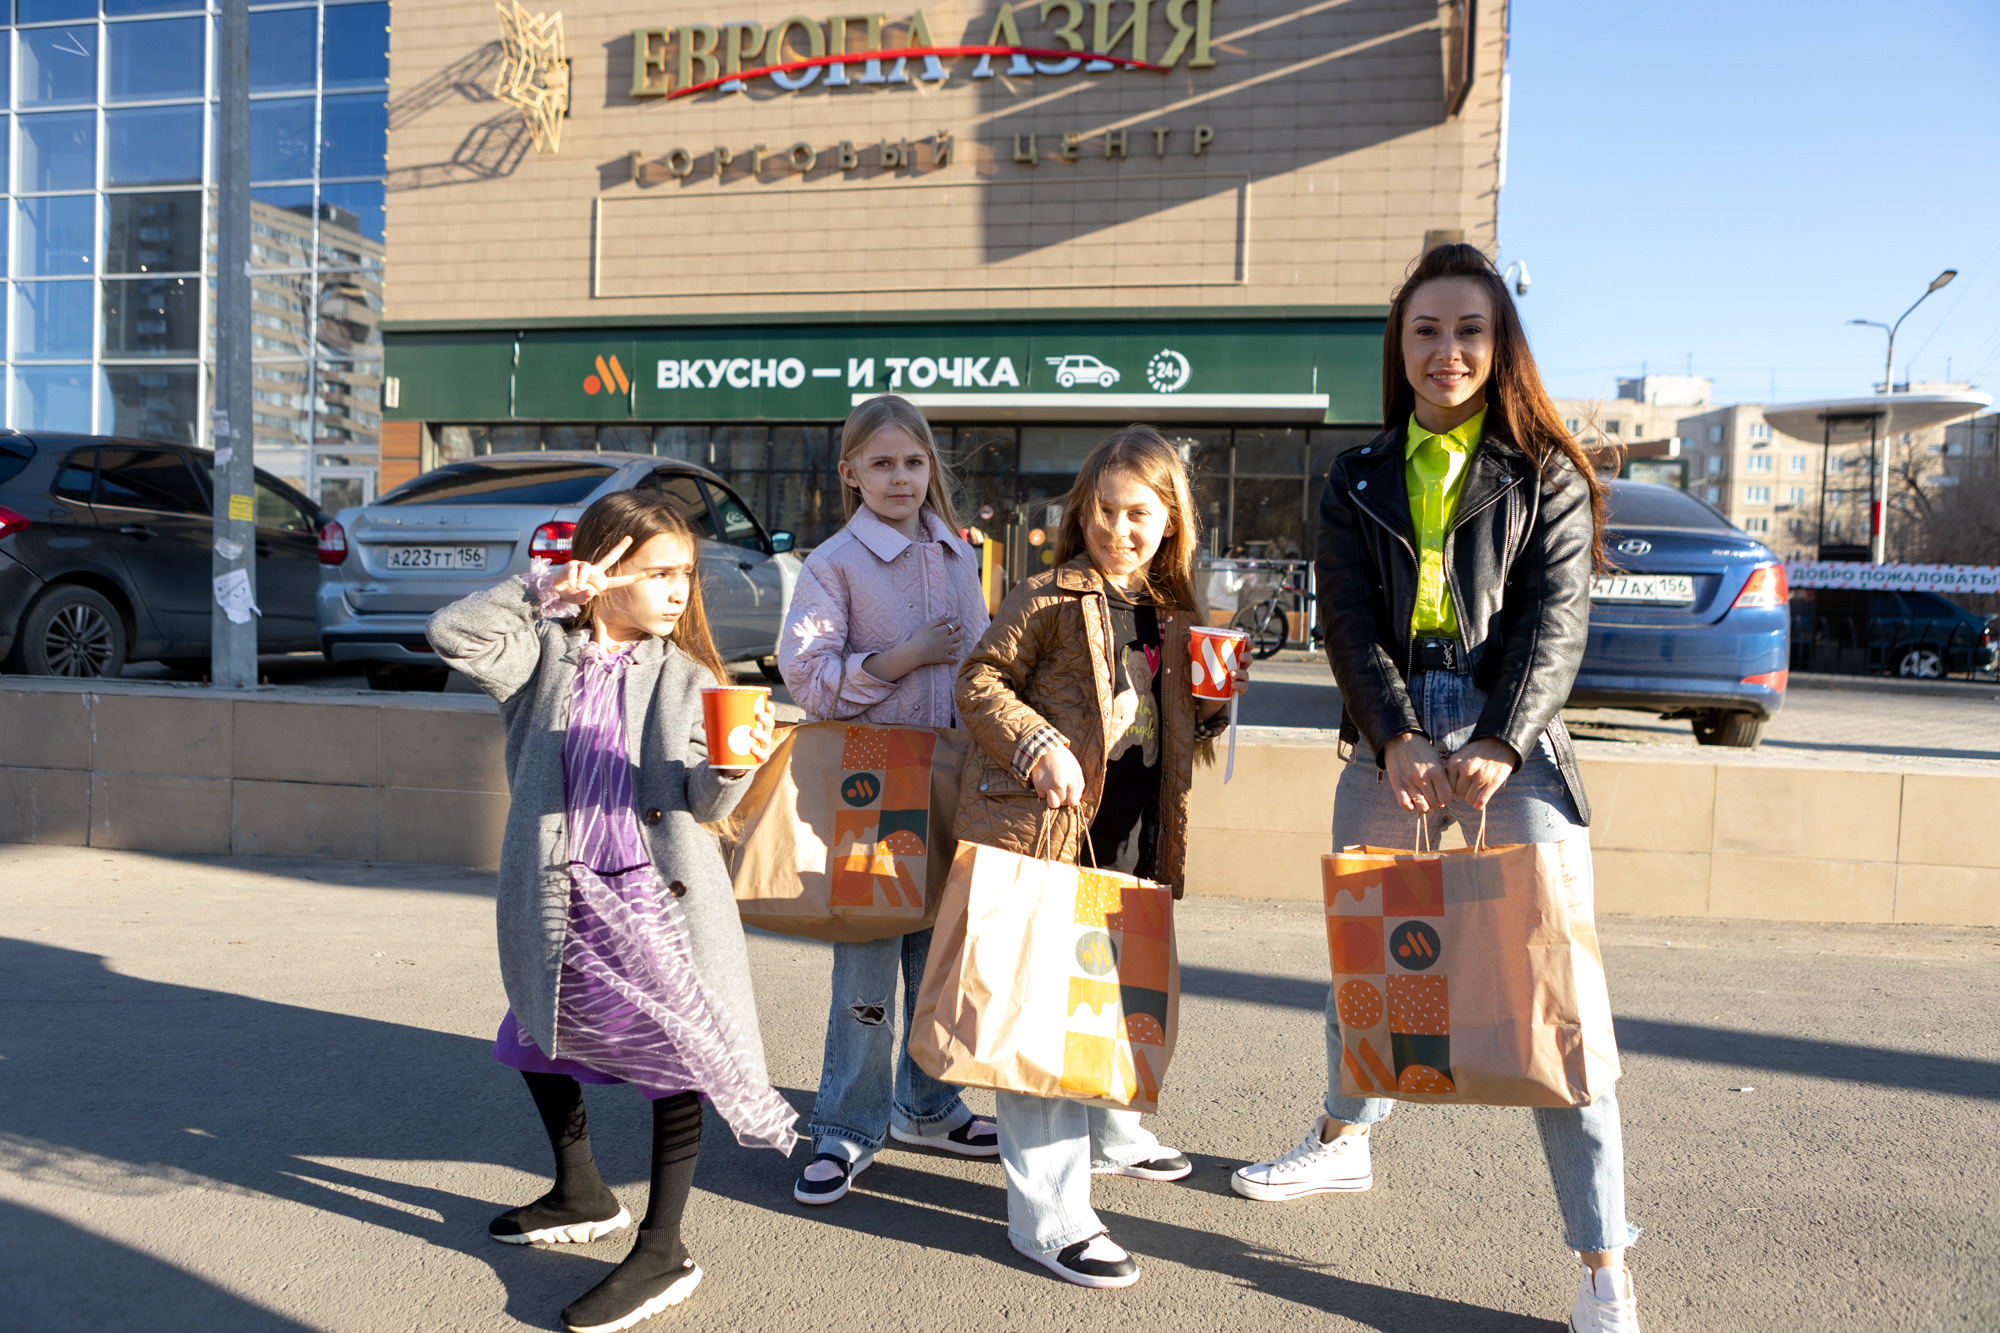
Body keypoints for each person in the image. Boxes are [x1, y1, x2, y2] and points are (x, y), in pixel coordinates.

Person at [1228, 242, 1642, 1333]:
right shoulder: (1356, 473)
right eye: (1424, 330)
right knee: (1372, 958)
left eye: (1467, 329)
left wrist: (1500, 739)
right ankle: (1341, 1141)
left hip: (1512, 746)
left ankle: (1601, 1262)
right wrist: (1395, 734)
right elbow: (1351, 623)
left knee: (1552, 994)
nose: (1445, 350)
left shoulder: (1543, 467)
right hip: (1391, 737)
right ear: (1397, 345)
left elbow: (1556, 624)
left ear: (1498, 344)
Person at [429, 490, 795, 1333]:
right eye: (659, 572)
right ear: (604, 572)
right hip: (561, 888)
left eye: (685, 575)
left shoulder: (689, 675)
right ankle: (583, 1190)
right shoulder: (542, 655)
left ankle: (664, 1249)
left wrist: (738, 764)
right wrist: (544, 588)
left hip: (653, 895)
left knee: (674, 1065)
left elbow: (705, 798)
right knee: (533, 1033)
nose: (678, 589)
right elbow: (452, 635)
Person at [955, 425, 1246, 1289]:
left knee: (1110, 1005)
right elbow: (979, 680)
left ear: (1170, 521)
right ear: (1083, 512)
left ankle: (1113, 1137)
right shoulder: (1045, 595)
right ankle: (1050, 1216)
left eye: (1140, 514)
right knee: (1042, 1023)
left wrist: (1217, 702)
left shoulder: (1176, 610)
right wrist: (1036, 742)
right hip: (1049, 838)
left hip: (1133, 843)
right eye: (1106, 511)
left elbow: (1186, 730)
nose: (1120, 529)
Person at [777, 394, 1001, 1205]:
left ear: (930, 467)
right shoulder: (832, 564)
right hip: (872, 782)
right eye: (882, 463)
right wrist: (901, 657)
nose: (900, 477)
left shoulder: (957, 551)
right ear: (851, 473)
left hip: (953, 774)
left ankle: (928, 1104)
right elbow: (807, 678)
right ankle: (845, 1124)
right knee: (869, 959)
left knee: (937, 954)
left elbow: (983, 665)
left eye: (913, 461)